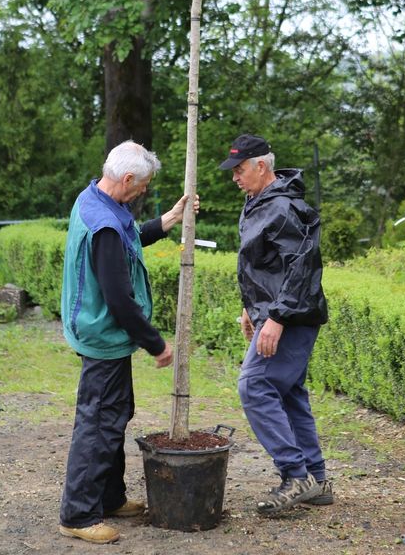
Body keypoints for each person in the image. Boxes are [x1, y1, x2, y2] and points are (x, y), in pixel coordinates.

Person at [60, 140, 196, 544]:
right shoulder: (101, 223)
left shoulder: (99, 201)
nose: (144, 193)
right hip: (103, 334)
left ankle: (110, 497)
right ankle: (78, 515)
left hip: (105, 336)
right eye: (144, 186)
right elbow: (119, 298)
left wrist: (167, 220)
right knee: (98, 424)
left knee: (115, 415)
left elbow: (130, 237)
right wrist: (156, 344)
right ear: (129, 178)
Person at [219, 133, 332, 515]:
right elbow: (261, 267)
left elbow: (303, 268)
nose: (235, 177)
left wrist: (278, 317)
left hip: (293, 316)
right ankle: (316, 479)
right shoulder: (257, 202)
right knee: (287, 391)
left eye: (239, 169)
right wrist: (253, 314)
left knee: (254, 384)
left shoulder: (283, 207)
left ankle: (295, 475)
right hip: (277, 315)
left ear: (261, 166)